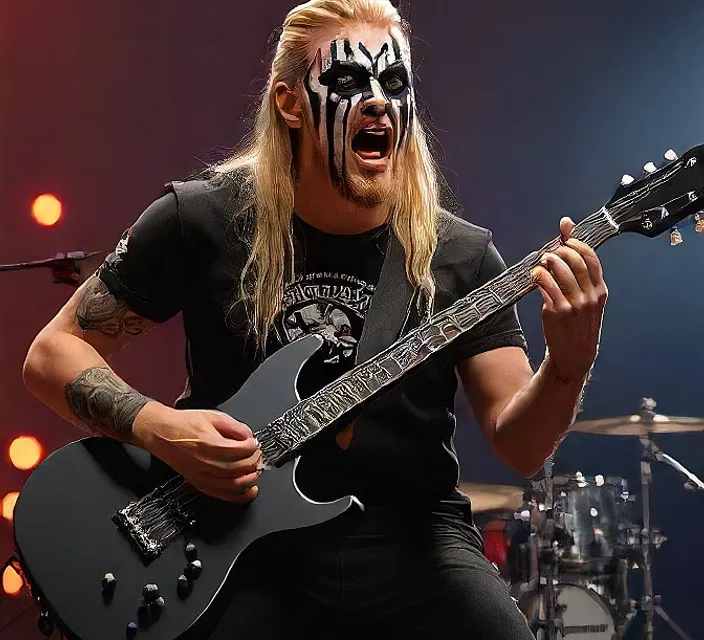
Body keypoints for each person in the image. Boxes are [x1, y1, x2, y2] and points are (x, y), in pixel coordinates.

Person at [22, 1, 608, 638]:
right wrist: (162, 429)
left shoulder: (459, 255)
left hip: (415, 539)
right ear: (289, 103)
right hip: (235, 543)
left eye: (395, 84)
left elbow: (520, 445)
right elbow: (51, 355)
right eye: (352, 82)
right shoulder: (202, 221)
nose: (379, 101)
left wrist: (568, 365)